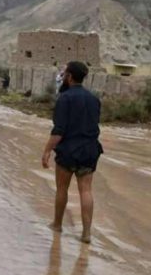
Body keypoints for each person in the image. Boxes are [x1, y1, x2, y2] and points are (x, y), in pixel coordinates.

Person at [41, 61, 103, 244]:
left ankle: (57, 225)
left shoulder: (65, 98)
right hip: (90, 150)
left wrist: (46, 151)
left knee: (62, 188)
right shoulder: (94, 99)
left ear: (69, 76)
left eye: (65, 73)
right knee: (86, 190)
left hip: (68, 150)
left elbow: (59, 130)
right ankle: (86, 234)